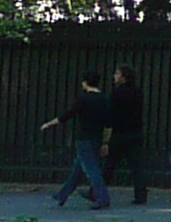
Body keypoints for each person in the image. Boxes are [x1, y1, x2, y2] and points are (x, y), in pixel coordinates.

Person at [43, 72, 113, 209]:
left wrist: (50, 123)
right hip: (97, 138)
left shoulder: (83, 99)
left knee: (92, 170)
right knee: (78, 170)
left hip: (83, 138)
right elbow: (109, 123)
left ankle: (102, 198)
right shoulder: (105, 98)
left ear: (85, 82)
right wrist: (106, 142)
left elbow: (68, 114)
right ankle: (62, 195)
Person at [104, 64, 149, 210]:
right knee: (137, 166)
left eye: (117, 73)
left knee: (109, 164)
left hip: (119, 132)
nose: (114, 76)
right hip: (135, 132)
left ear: (123, 77)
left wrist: (106, 138)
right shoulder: (138, 92)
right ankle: (141, 195)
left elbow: (111, 115)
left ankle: (97, 191)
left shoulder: (116, 93)